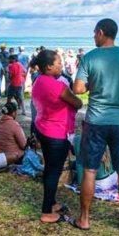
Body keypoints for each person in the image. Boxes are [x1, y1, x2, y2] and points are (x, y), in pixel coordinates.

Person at [70, 19, 119, 233]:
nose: (94, 37)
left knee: (90, 170)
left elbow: (78, 89)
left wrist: (93, 84)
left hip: (96, 121)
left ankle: (84, 219)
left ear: (101, 33)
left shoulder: (89, 58)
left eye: (95, 33)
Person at [31, 49, 83, 224]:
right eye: (59, 63)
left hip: (43, 128)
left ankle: (51, 203)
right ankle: (46, 212)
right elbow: (78, 102)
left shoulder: (38, 81)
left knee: (49, 168)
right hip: (57, 133)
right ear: (48, 66)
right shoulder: (58, 86)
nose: (62, 66)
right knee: (54, 171)